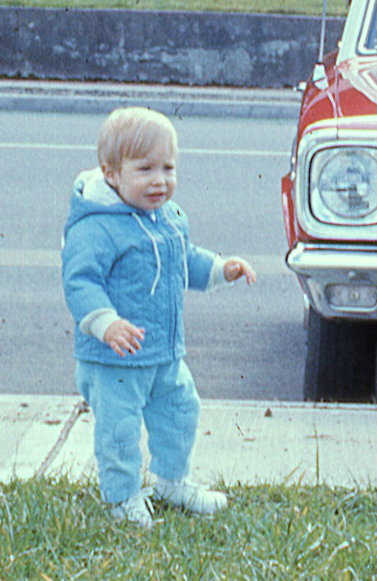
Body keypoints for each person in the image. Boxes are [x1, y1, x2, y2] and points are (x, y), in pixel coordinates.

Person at [61, 106, 258, 528]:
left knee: (181, 411)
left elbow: (184, 260)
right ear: (111, 173)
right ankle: (123, 498)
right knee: (120, 431)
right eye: (145, 168)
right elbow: (80, 282)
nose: (159, 180)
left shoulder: (168, 218)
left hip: (164, 353)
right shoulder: (95, 227)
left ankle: (171, 481)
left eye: (168, 167)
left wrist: (223, 269)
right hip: (115, 359)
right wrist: (106, 323)